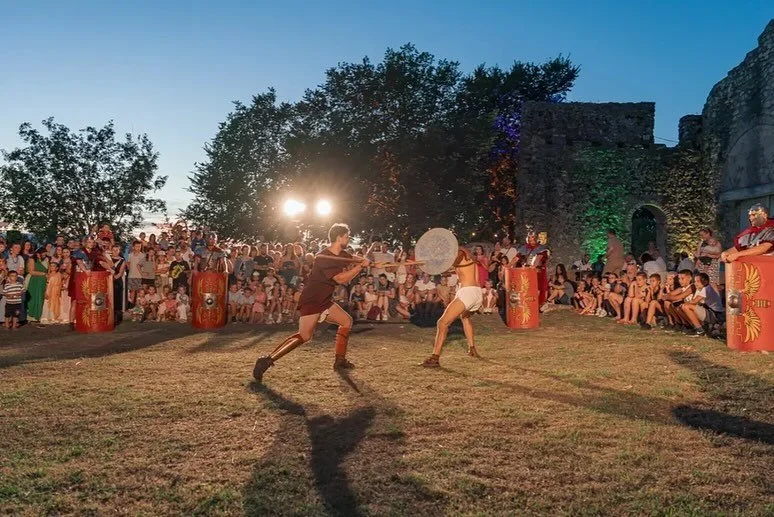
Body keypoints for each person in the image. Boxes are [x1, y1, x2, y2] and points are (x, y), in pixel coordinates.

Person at [252, 223, 371, 382]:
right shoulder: (323, 257)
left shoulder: (342, 254)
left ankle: (339, 360)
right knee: (304, 335)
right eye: (347, 236)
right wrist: (360, 268)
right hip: (312, 300)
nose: (348, 239)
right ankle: (266, 360)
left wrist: (363, 260)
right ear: (339, 237)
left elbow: (353, 258)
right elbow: (340, 279)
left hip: (325, 300)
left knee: (346, 321)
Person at [421, 246, 483, 367]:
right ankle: (472, 349)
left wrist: (435, 260)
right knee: (465, 318)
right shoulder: (467, 257)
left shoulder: (460, 252)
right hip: (476, 293)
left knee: (442, 323)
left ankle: (435, 358)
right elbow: (448, 270)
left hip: (468, 292)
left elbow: (451, 262)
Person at [515, 228, 550, 308]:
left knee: (537, 287)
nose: (530, 239)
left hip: (537, 271)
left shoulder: (541, 248)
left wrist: (533, 267)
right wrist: (509, 265)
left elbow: (539, 258)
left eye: (532, 237)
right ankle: (527, 304)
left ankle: (536, 305)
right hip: (527, 270)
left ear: (535, 238)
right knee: (526, 287)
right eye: (529, 237)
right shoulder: (525, 247)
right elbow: (517, 257)